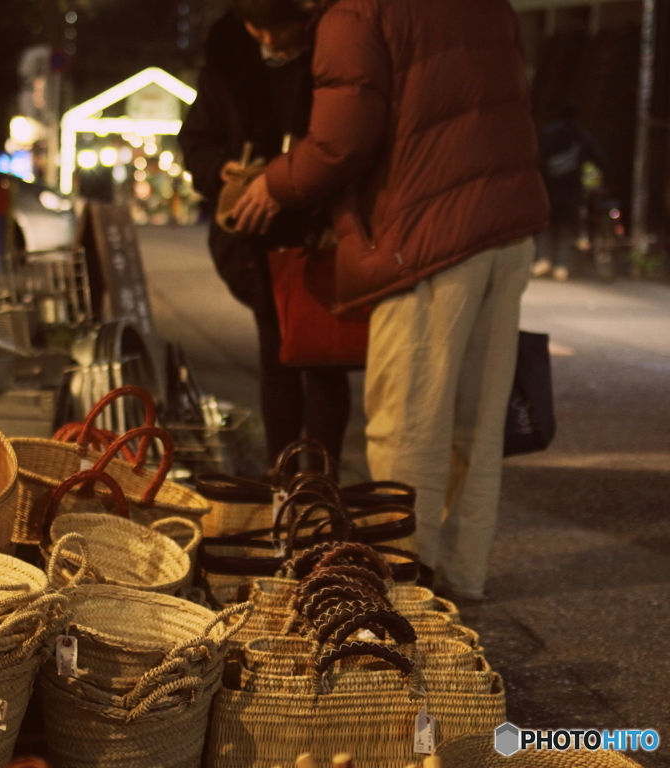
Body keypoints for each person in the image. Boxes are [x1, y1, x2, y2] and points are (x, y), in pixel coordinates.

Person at [230, 0, 550, 600]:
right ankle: (460, 575)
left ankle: (404, 582)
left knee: (409, 422)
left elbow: (340, 141)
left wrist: (273, 183)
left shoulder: (356, 12)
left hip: (430, 238)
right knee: (475, 424)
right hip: (507, 227)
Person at [179, 5, 353, 475]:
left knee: (323, 363)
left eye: (280, 27)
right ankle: (282, 481)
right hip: (257, 242)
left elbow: (342, 142)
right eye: (259, 29)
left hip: (318, 235)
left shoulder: (333, 55)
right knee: (276, 362)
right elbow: (195, 139)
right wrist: (220, 168)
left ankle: (318, 486)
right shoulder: (228, 65)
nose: (272, 40)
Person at [533, 103, 609, 281]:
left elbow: (536, 157)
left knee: (546, 223)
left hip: (548, 186)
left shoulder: (548, 134)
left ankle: (543, 259)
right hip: (572, 188)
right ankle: (562, 265)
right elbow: (599, 158)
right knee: (567, 225)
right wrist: (608, 177)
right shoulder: (581, 136)